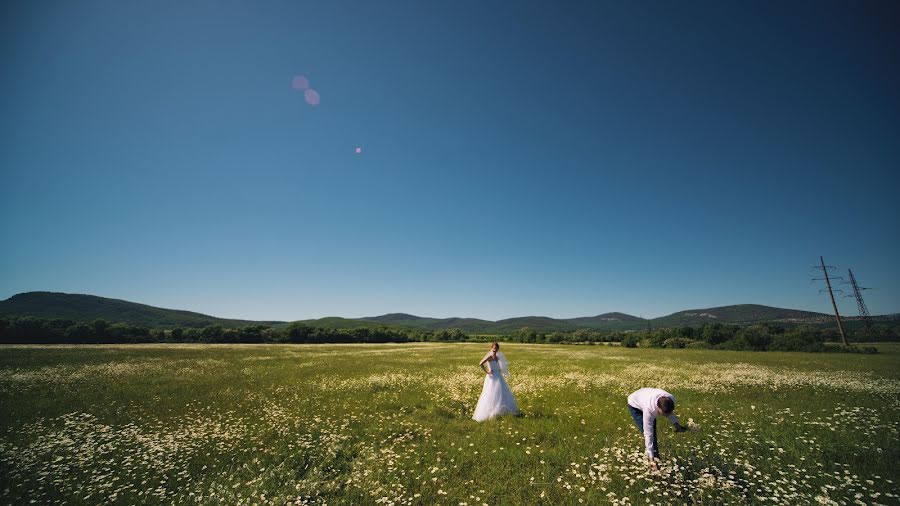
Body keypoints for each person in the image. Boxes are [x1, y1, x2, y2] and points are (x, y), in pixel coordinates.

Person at [627, 387, 686, 469]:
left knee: (653, 435)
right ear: (658, 408)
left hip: (645, 394)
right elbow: (648, 434)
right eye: (664, 413)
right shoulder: (649, 409)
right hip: (634, 404)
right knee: (652, 435)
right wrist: (651, 459)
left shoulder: (670, 399)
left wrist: (677, 426)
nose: (666, 416)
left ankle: (657, 461)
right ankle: (653, 463)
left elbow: (669, 413)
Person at [472, 342, 519, 421]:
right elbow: (480, 363)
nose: (495, 349)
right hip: (492, 377)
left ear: (498, 349)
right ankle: (489, 412)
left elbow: (500, 366)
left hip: (498, 376)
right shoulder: (489, 356)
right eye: (494, 348)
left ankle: (500, 411)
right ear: (491, 348)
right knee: (490, 393)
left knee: (500, 393)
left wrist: (500, 370)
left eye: (496, 348)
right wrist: (487, 372)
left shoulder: (497, 357)